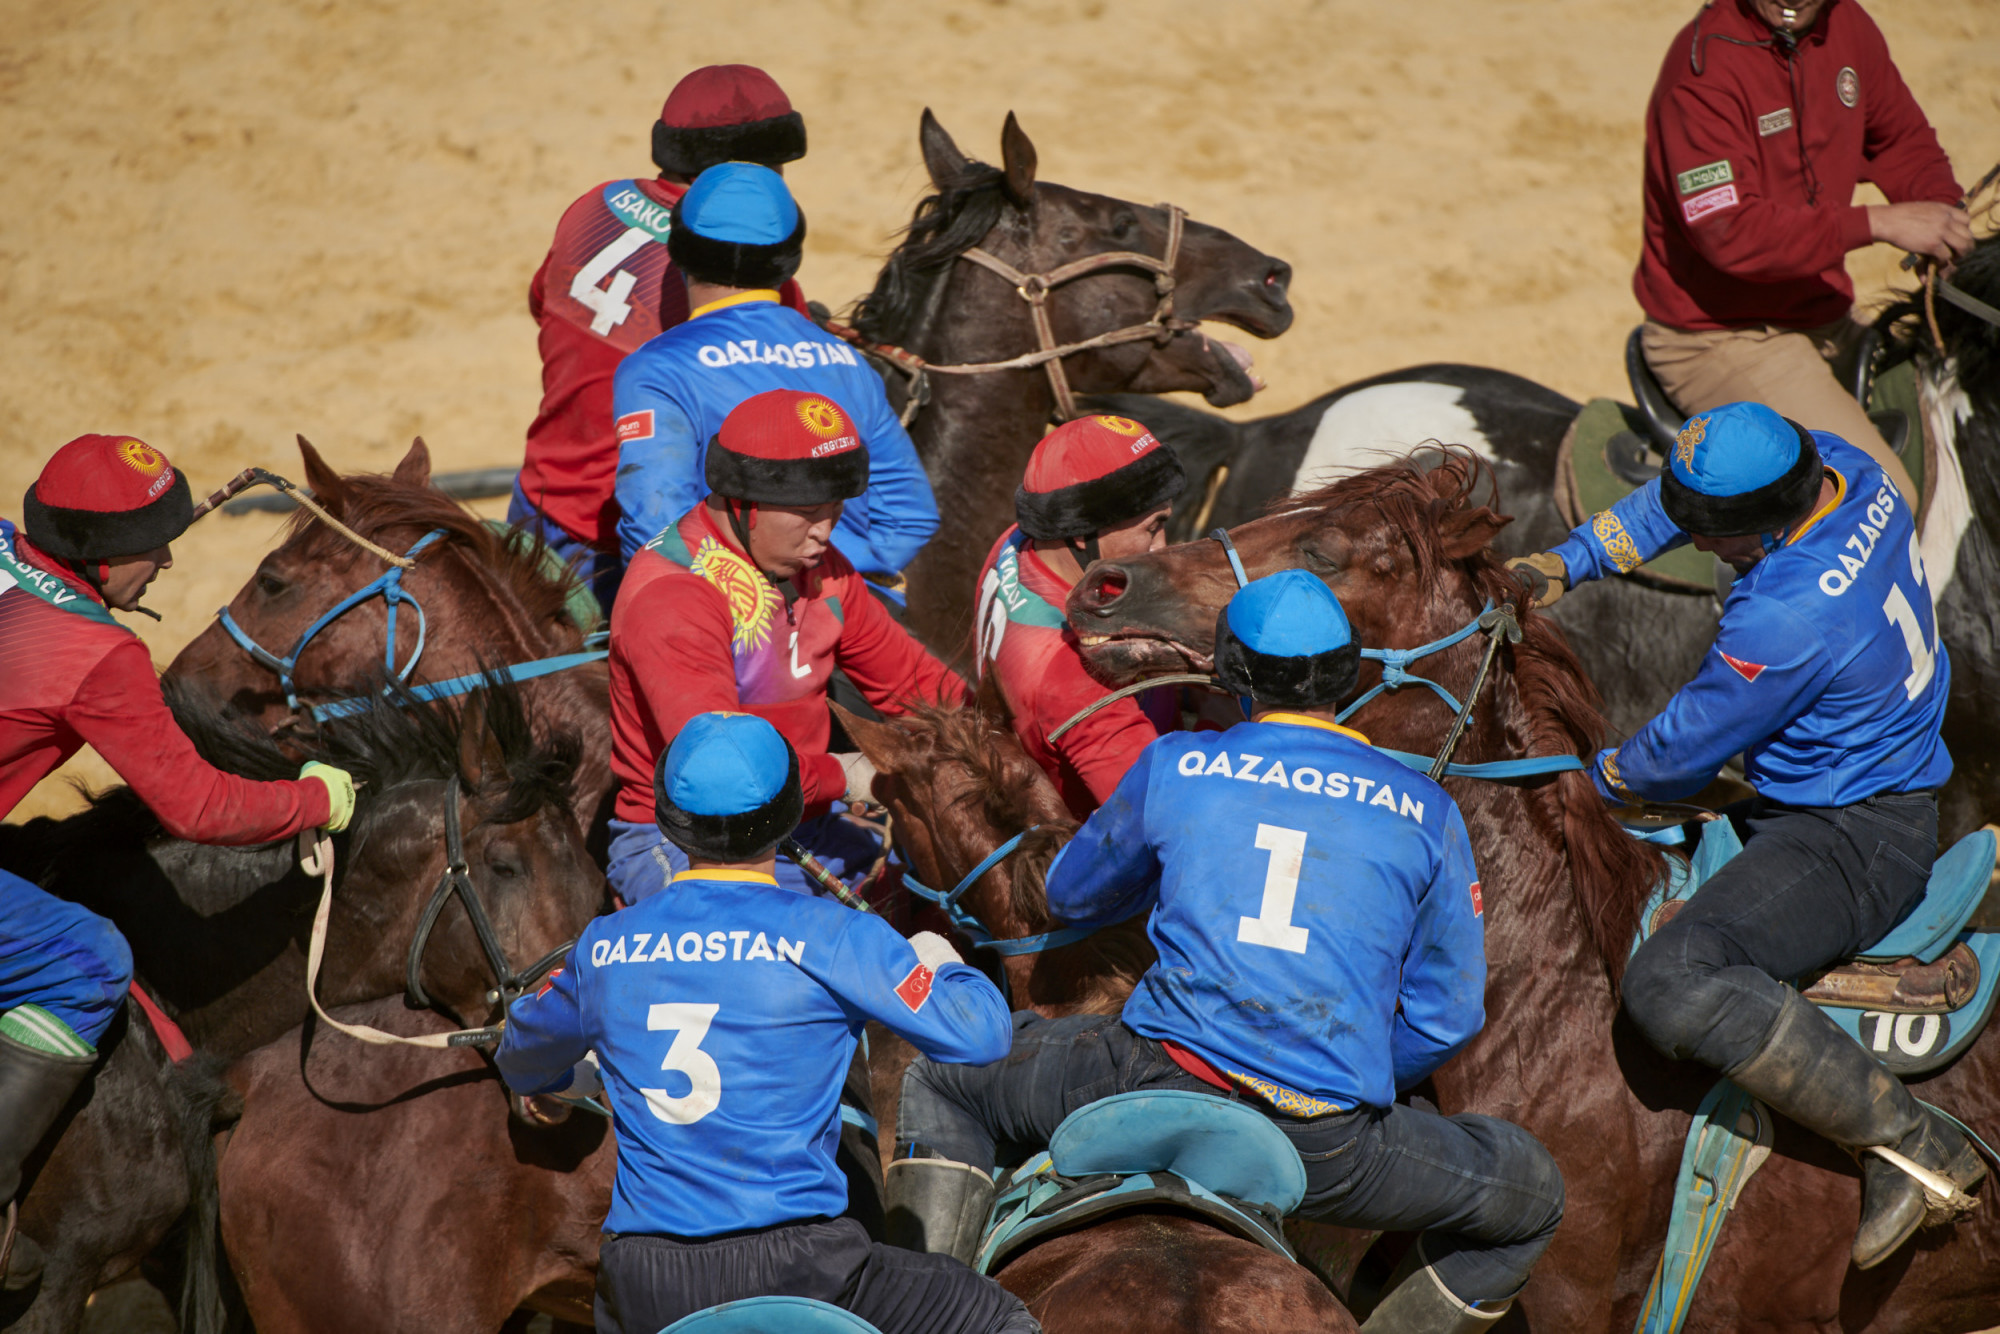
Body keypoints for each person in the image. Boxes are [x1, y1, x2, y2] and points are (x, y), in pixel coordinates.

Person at [895, 572, 1565, 1334]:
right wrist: (1346, 1072)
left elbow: (1071, 896)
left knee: (942, 1075)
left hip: (1145, 1075)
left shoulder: (1179, 764)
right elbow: (1447, 1019)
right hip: (1328, 1143)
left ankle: (927, 1312)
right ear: (1350, 676)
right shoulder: (1429, 810)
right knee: (1531, 1194)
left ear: (1231, 675)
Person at [1506, 400, 1980, 1269]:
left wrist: (1586, 781)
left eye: (1717, 540)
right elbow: (1676, 505)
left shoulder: (1786, 619)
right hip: (1842, 781)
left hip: (1853, 836)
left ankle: (1913, 1146)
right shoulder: (1841, 466)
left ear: (1763, 529)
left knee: (1673, 982)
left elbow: (1674, 753)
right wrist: (1560, 565)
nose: (1702, 550)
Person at [495, 712, 1035, 1334]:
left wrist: (572, 1075)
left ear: (668, 823)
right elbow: (982, 1036)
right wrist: (940, 960)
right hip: (802, 1267)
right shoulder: (837, 934)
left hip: (644, 1279)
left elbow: (520, 1059)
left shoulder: (603, 946)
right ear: (790, 814)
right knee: (994, 1316)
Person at [0, 435, 354, 1289]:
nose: (164, 557)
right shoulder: (97, 653)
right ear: (99, 555)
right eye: (150, 545)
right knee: (89, 957)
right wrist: (318, 800)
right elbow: (199, 807)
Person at [605, 388, 965, 908]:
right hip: (693, 844)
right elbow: (723, 771)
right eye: (808, 513)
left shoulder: (825, 569)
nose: (825, 532)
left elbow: (918, 687)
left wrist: (996, 734)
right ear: (742, 500)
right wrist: (845, 775)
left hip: (814, 823)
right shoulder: (674, 595)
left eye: (836, 510)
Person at [1633, 0, 1970, 502]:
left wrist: (1941, 214)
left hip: (1825, 313)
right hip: (1723, 337)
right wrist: (1880, 223)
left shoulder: (1849, 27)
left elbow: (1901, 141)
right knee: (1878, 499)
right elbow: (1731, 232)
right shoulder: (1701, 71)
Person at [512, 65, 813, 609]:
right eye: (777, 169)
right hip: (631, 542)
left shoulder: (592, 206)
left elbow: (541, 303)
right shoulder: (734, 261)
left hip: (537, 509)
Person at [611, 162, 939, 585]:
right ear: (789, 262)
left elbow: (655, 530)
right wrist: (829, 578)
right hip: (850, 615)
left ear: (677, 252)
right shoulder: (847, 361)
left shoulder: (655, 368)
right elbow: (911, 518)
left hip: (728, 622)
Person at [975, 413, 1186, 818]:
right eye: (1153, 527)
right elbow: (1164, 820)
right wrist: (1223, 722)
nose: (1164, 548)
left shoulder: (1018, 542)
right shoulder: (1077, 669)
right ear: (1079, 531)